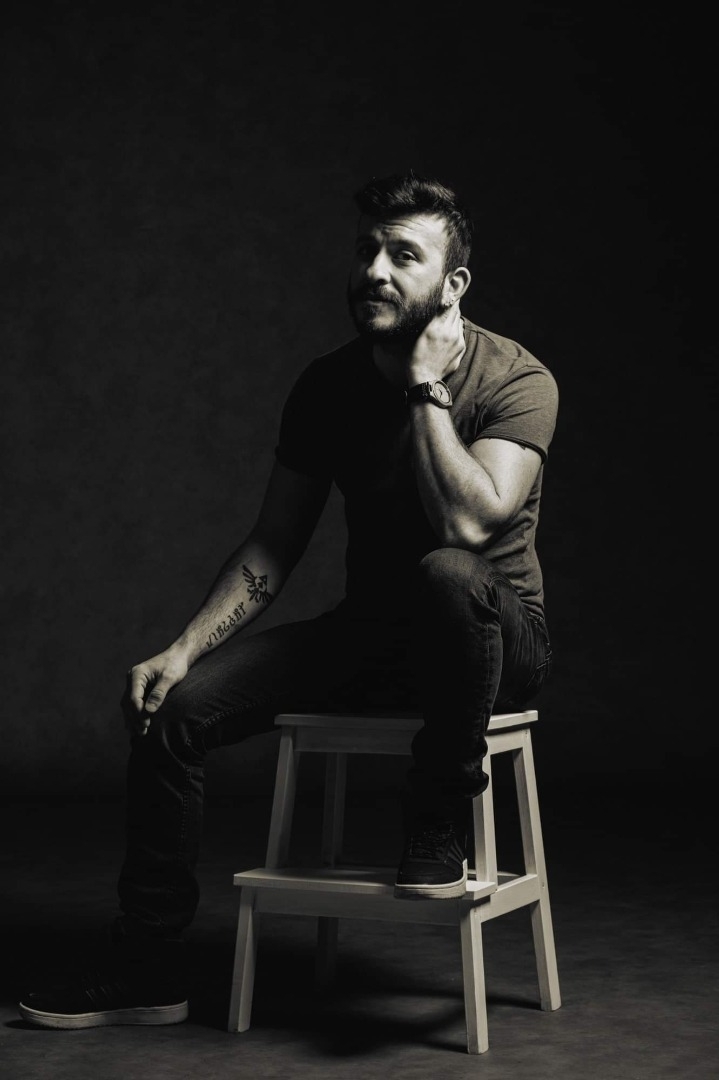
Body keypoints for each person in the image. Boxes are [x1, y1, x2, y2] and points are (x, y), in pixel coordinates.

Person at [18, 170, 558, 1030]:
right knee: (173, 715)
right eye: (366, 250)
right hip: (374, 637)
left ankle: (437, 816)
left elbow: (469, 525)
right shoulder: (327, 385)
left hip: (491, 646)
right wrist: (182, 650)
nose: (374, 270)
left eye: (403, 255)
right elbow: (273, 544)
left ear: (453, 284)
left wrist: (425, 387)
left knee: (446, 572)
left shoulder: (516, 378)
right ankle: (147, 967)